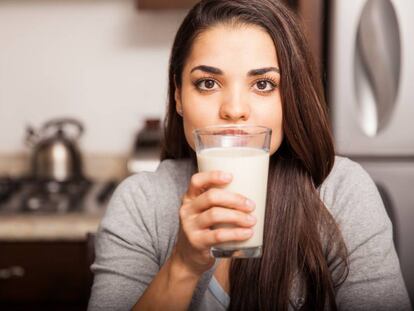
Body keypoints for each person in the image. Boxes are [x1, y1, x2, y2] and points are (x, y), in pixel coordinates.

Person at [87, 0, 412, 310]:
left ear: (291, 97)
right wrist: (183, 266)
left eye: (263, 84)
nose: (234, 110)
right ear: (178, 96)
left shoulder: (342, 192)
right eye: (208, 82)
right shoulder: (141, 203)